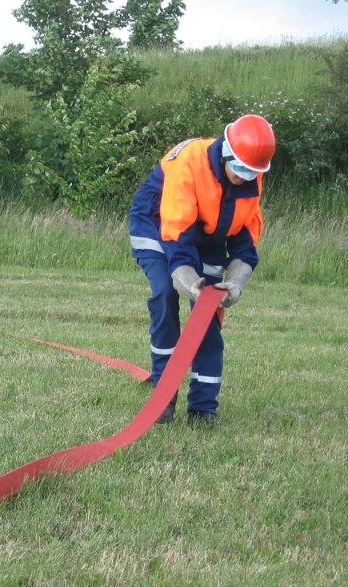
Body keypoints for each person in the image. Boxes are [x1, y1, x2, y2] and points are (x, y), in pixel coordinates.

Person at [128, 114, 276, 426]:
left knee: (208, 314)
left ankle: (203, 410)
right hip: (157, 223)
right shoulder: (190, 165)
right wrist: (189, 281)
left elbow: (244, 240)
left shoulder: (251, 175)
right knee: (165, 294)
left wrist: (235, 284)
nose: (245, 177)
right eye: (240, 169)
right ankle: (162, 401)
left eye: (252, 172)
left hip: (208, 234)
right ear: (226, 153)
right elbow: (176, 236)